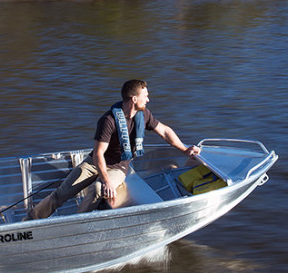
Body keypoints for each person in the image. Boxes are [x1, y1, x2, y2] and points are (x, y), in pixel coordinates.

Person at [26, 80, 201, 219]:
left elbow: (165, 131)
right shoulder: (108, 120)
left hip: (119, 168)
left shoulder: (144, 115)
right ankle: (30, 222)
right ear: (134, 99)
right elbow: (98, 154)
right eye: (145, 96)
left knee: (97, 190)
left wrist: (184, 149)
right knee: (61, 193)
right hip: (95, 162)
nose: (148, 100)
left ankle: (76, 226)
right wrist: (105, 179)